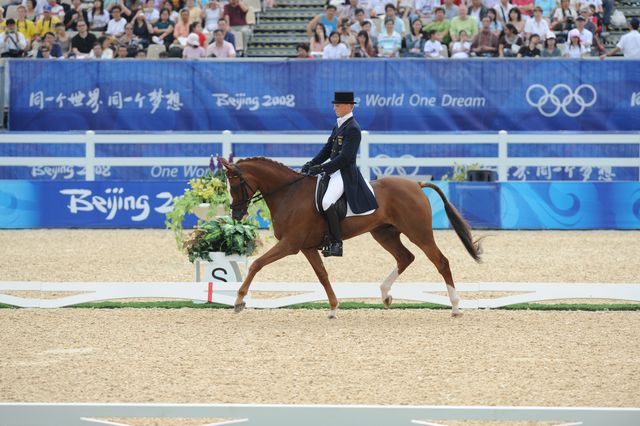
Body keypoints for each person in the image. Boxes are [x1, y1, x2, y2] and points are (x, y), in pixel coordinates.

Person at [301, 92, 378, 257]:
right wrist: (312, 163)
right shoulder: (339, 126)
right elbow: (327, 149)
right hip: (333, 171)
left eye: (337, 105)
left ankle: (336, 243)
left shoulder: (353, 128)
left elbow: (345, 158)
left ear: (349, 106)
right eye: (334, 105)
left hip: (344, 173)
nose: (334, 108)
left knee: (327, 201)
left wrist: (321, 168)